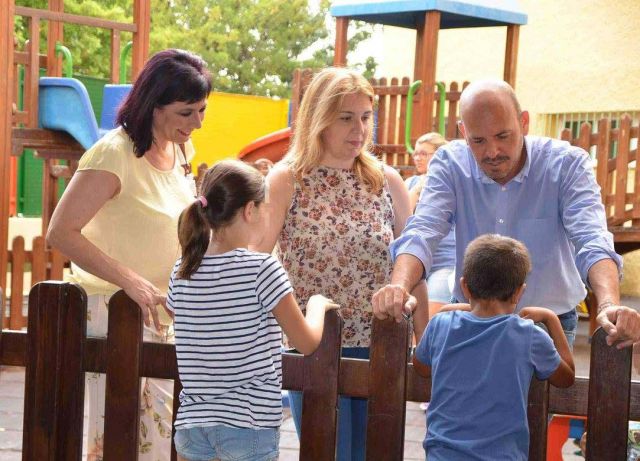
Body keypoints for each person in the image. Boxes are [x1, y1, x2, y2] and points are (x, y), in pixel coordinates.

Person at [373, 79, 640, 350]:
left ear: (524, 122)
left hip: (548, 322)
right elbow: (422, 232)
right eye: (478, 140)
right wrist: (399, 287)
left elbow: (592, 239)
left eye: (503, 136)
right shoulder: (450, 163)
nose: (492, 152)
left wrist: (608, 304)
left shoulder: (566, 164)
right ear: (463, 132)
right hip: (470, 315)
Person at [46, 49, 212, 460]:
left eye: (202, 110)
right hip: (114, 309)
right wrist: (130, 280)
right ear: (154, 106)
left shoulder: (180, 152)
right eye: (187, 112)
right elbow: (61, 231)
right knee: (116, 436)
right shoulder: (113, 153)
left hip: (163, 312)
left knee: (162, 439)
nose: (198, 123)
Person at [257, 67, 428, 461]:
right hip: (313, 346)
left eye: (366, 117)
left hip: (382, 345)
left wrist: (426, 341)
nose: (360, 129)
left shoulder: (387, 181)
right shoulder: (287, 179)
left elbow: (413, 262)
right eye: (346, 117)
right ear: (319, 118)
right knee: (328, 453)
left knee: (376, 453)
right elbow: (257, 258)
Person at [166, 160, 337, 461]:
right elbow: (306, 342)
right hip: (248, 424)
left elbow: (183, 319)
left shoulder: (183, 269)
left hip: (192, 424)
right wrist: (317, 305)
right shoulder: (261, 269)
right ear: (249, 210)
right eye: (265, 207)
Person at [413, 234, 575, 460]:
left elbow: (421, 367)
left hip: (442, 454)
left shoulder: (441, 325)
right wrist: (551, 319)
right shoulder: (528, 336)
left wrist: (449, 310)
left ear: (465, 287)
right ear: (519, 292)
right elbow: (566, 378)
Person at [407, 133, 456, 319]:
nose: (418, 158)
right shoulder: (411, 183)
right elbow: (404, 218)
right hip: (417, 263)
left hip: (445, 262)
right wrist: (418, 189)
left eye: (424, 154)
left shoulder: (451, 184)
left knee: (430, 319)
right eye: (416, 154)